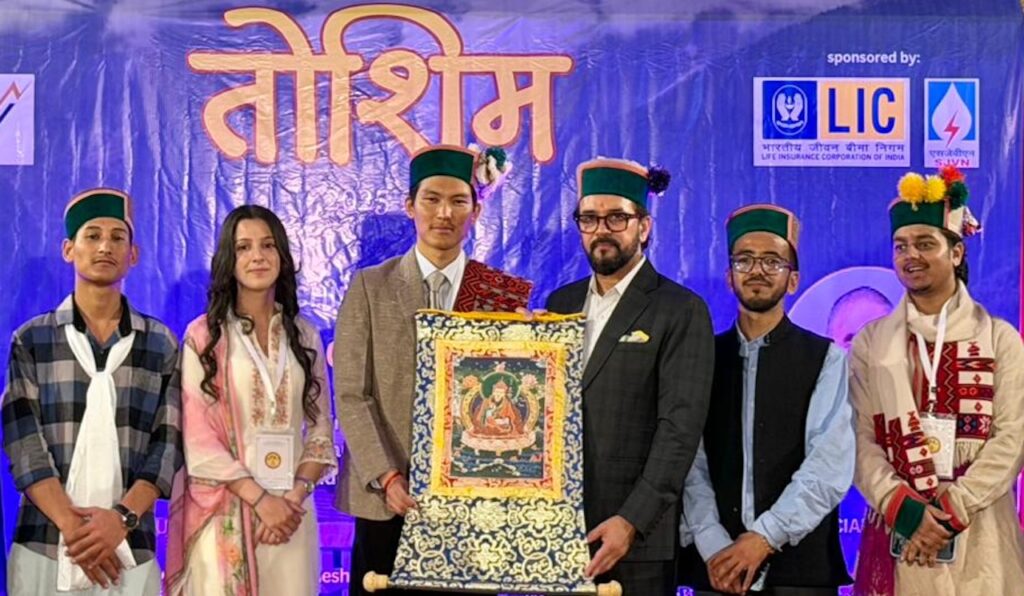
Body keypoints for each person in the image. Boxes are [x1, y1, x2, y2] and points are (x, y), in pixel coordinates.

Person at [334, 144, 530, 595]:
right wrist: (387, 475)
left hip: (473, 505)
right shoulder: (370, 287)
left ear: (475, 211)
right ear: (410, 206)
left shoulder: (500, 296)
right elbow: (350, 393)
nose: (444, 213)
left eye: (458, 201)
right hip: (387, 499)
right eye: (431, 199)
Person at [851, 166, 1024, 594]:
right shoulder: (872, 343)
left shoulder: (999, 338)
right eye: (901, 246)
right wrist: (904, 509)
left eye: (926, 244)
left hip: (980, 527)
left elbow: (1013, 438)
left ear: (957, 252)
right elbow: (857, 438)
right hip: (900, 526)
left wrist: (954, 506)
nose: (911, 255)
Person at [545, 157, 714, 594]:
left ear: (644, 226)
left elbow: (679, 430)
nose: (602, 230)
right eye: (589, 218)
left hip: (635, 540)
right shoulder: (559, 304)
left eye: (617, 218)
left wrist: (632, 520)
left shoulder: (680, 309)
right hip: (556, 534)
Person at [2, 188, 181, 595]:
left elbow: (167, 446)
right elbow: (24, 444)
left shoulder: (159, 343)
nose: (105, 247)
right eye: (92, 235)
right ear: (69, 250)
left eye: (118, 237)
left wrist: (119, 520)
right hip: (46, 543)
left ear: (133, 255)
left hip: (129, 547)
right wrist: (75, 528)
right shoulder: (33, 339)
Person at [678, 204, 854, 595]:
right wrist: (713, 544)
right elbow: (688, 462)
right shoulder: (701, 357)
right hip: (716, 569)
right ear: (730, 277)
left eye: (772, 261)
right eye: (744, 260)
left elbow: (829, 465)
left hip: (799, 572)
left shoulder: (825, 358)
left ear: (793, 281)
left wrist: (764, 537)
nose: (757, 270)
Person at [164, 205, 336, 594]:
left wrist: (293, 499)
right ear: (230, 259)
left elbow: (321, 426)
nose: (257, 256)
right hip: (225, 509)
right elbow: (199, 439)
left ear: (283, 257)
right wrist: (261, 501)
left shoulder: (304, 336)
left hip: (291, 516)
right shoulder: (204, 337)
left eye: (267, 245)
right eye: (243, 247)